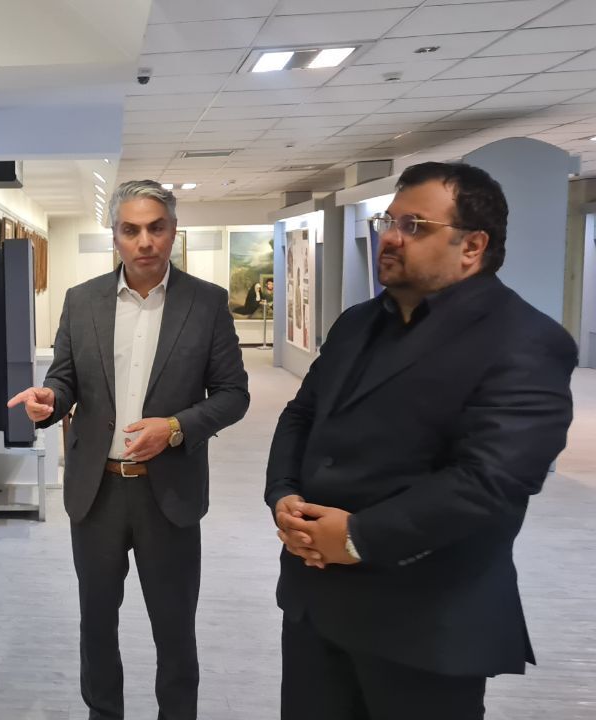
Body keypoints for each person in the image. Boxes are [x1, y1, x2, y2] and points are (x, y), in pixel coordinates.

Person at [265, 161, 577, 720]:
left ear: (472, 246)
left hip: (424, 620)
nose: (389, 236)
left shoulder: (524, 340)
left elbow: (491, 481)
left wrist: (356, 537)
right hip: (316, 601)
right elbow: (303, 414)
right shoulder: (357, 323)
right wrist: (283, 493)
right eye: (389, 221)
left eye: (414, 226)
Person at [9, 180, 249, 719]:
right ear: (114, 236)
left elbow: (233, 394)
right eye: (131, 230)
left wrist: (176, 427)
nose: (145, 241)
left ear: (173, 231)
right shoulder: (82, 300)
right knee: (96, 624)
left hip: (170, 494)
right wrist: (51, 400)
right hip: (97, 492)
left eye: (156, 228)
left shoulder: (206, 302)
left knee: (175, 629)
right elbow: (65, 378)